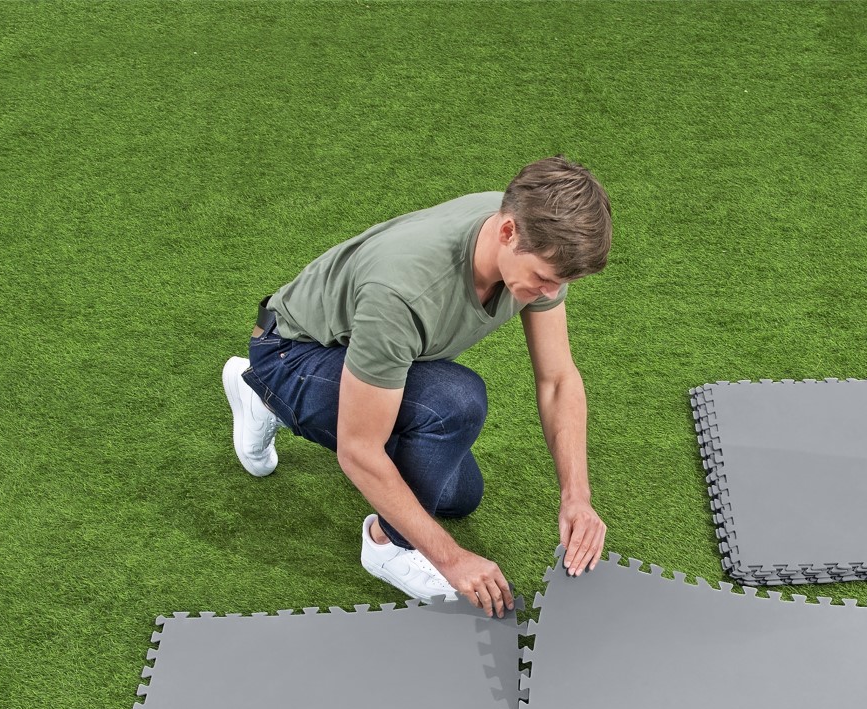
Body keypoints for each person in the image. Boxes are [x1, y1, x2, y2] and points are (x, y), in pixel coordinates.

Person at [221, 156, 611, 618]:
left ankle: (264, 402)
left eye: (561, 283)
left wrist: (576, 497)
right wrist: (451, 559)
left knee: (460, 496)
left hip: (362, 355)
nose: (550, 294)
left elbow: (558, 380)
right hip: (292, 354)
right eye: (544, 279)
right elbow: (358, 451)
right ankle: (385, 546)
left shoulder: (532, 230)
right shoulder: (405, 291)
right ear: (508, 231)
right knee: (455, 403)